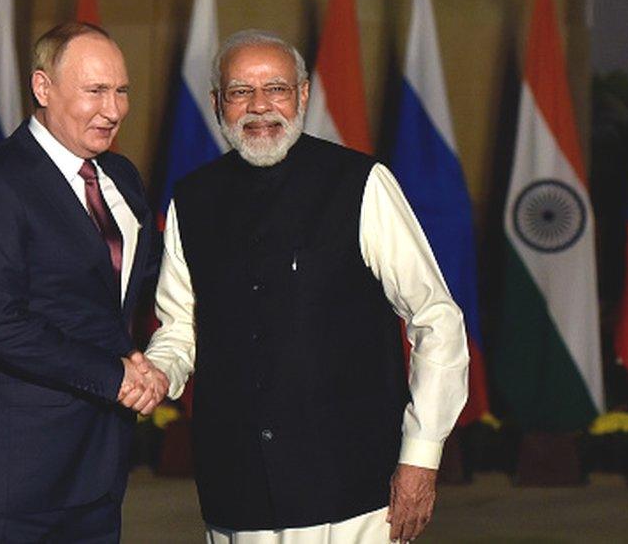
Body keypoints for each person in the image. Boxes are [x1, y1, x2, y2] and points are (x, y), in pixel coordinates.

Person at [145, 30, 468, 543]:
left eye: (275, 88)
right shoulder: (192, 199)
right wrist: (155, 375)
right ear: (216, 104)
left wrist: (421, 457)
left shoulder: (362, 183)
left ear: (302, 96)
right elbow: (179, 329)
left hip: (353, 494)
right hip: (237, 491)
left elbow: (438, 319)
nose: (259, 107)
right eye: (239, 92)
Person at [0, 23, 168, 542]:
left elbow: (144, 281)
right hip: (6, 481)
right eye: (95, 91)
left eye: (122, 91)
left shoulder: (121, 177)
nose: (114, 109)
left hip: (97, 476)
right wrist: (116, 376)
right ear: (42, 88)